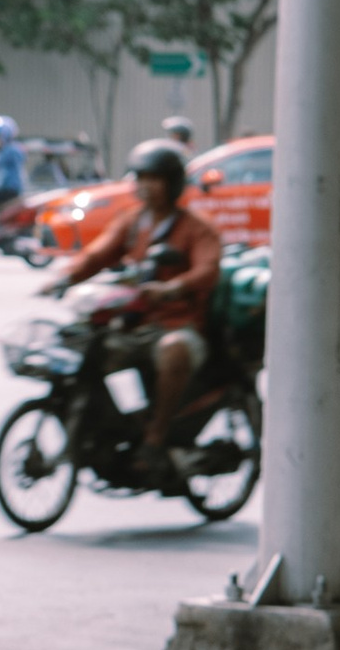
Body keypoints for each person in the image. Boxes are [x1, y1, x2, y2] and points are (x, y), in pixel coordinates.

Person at [51, 137, 223, 467]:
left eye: (154, 179)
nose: (146, 186)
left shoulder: (197, 228)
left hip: (178, 324)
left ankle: (156, 436)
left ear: (173, 183)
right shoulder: (132, 222)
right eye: (142, 178)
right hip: (135, 323)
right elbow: (98, 255)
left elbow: (208, 270)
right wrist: (64, 278)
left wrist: (172, 288)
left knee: (173, 351)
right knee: (85, 350)